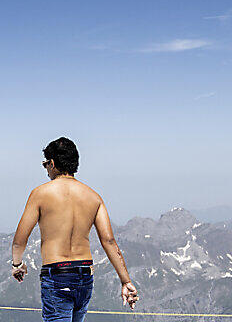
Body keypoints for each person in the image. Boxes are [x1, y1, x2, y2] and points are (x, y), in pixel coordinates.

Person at [11, 137, 139, 322]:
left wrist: (17, 265)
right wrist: (126, 281)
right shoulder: (94, 197)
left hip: (57, 276)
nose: (46, 169)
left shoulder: (40, 194)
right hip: (85, 276)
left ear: (53, 163)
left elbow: (19, 240)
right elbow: (109, 241)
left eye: (45, 164)